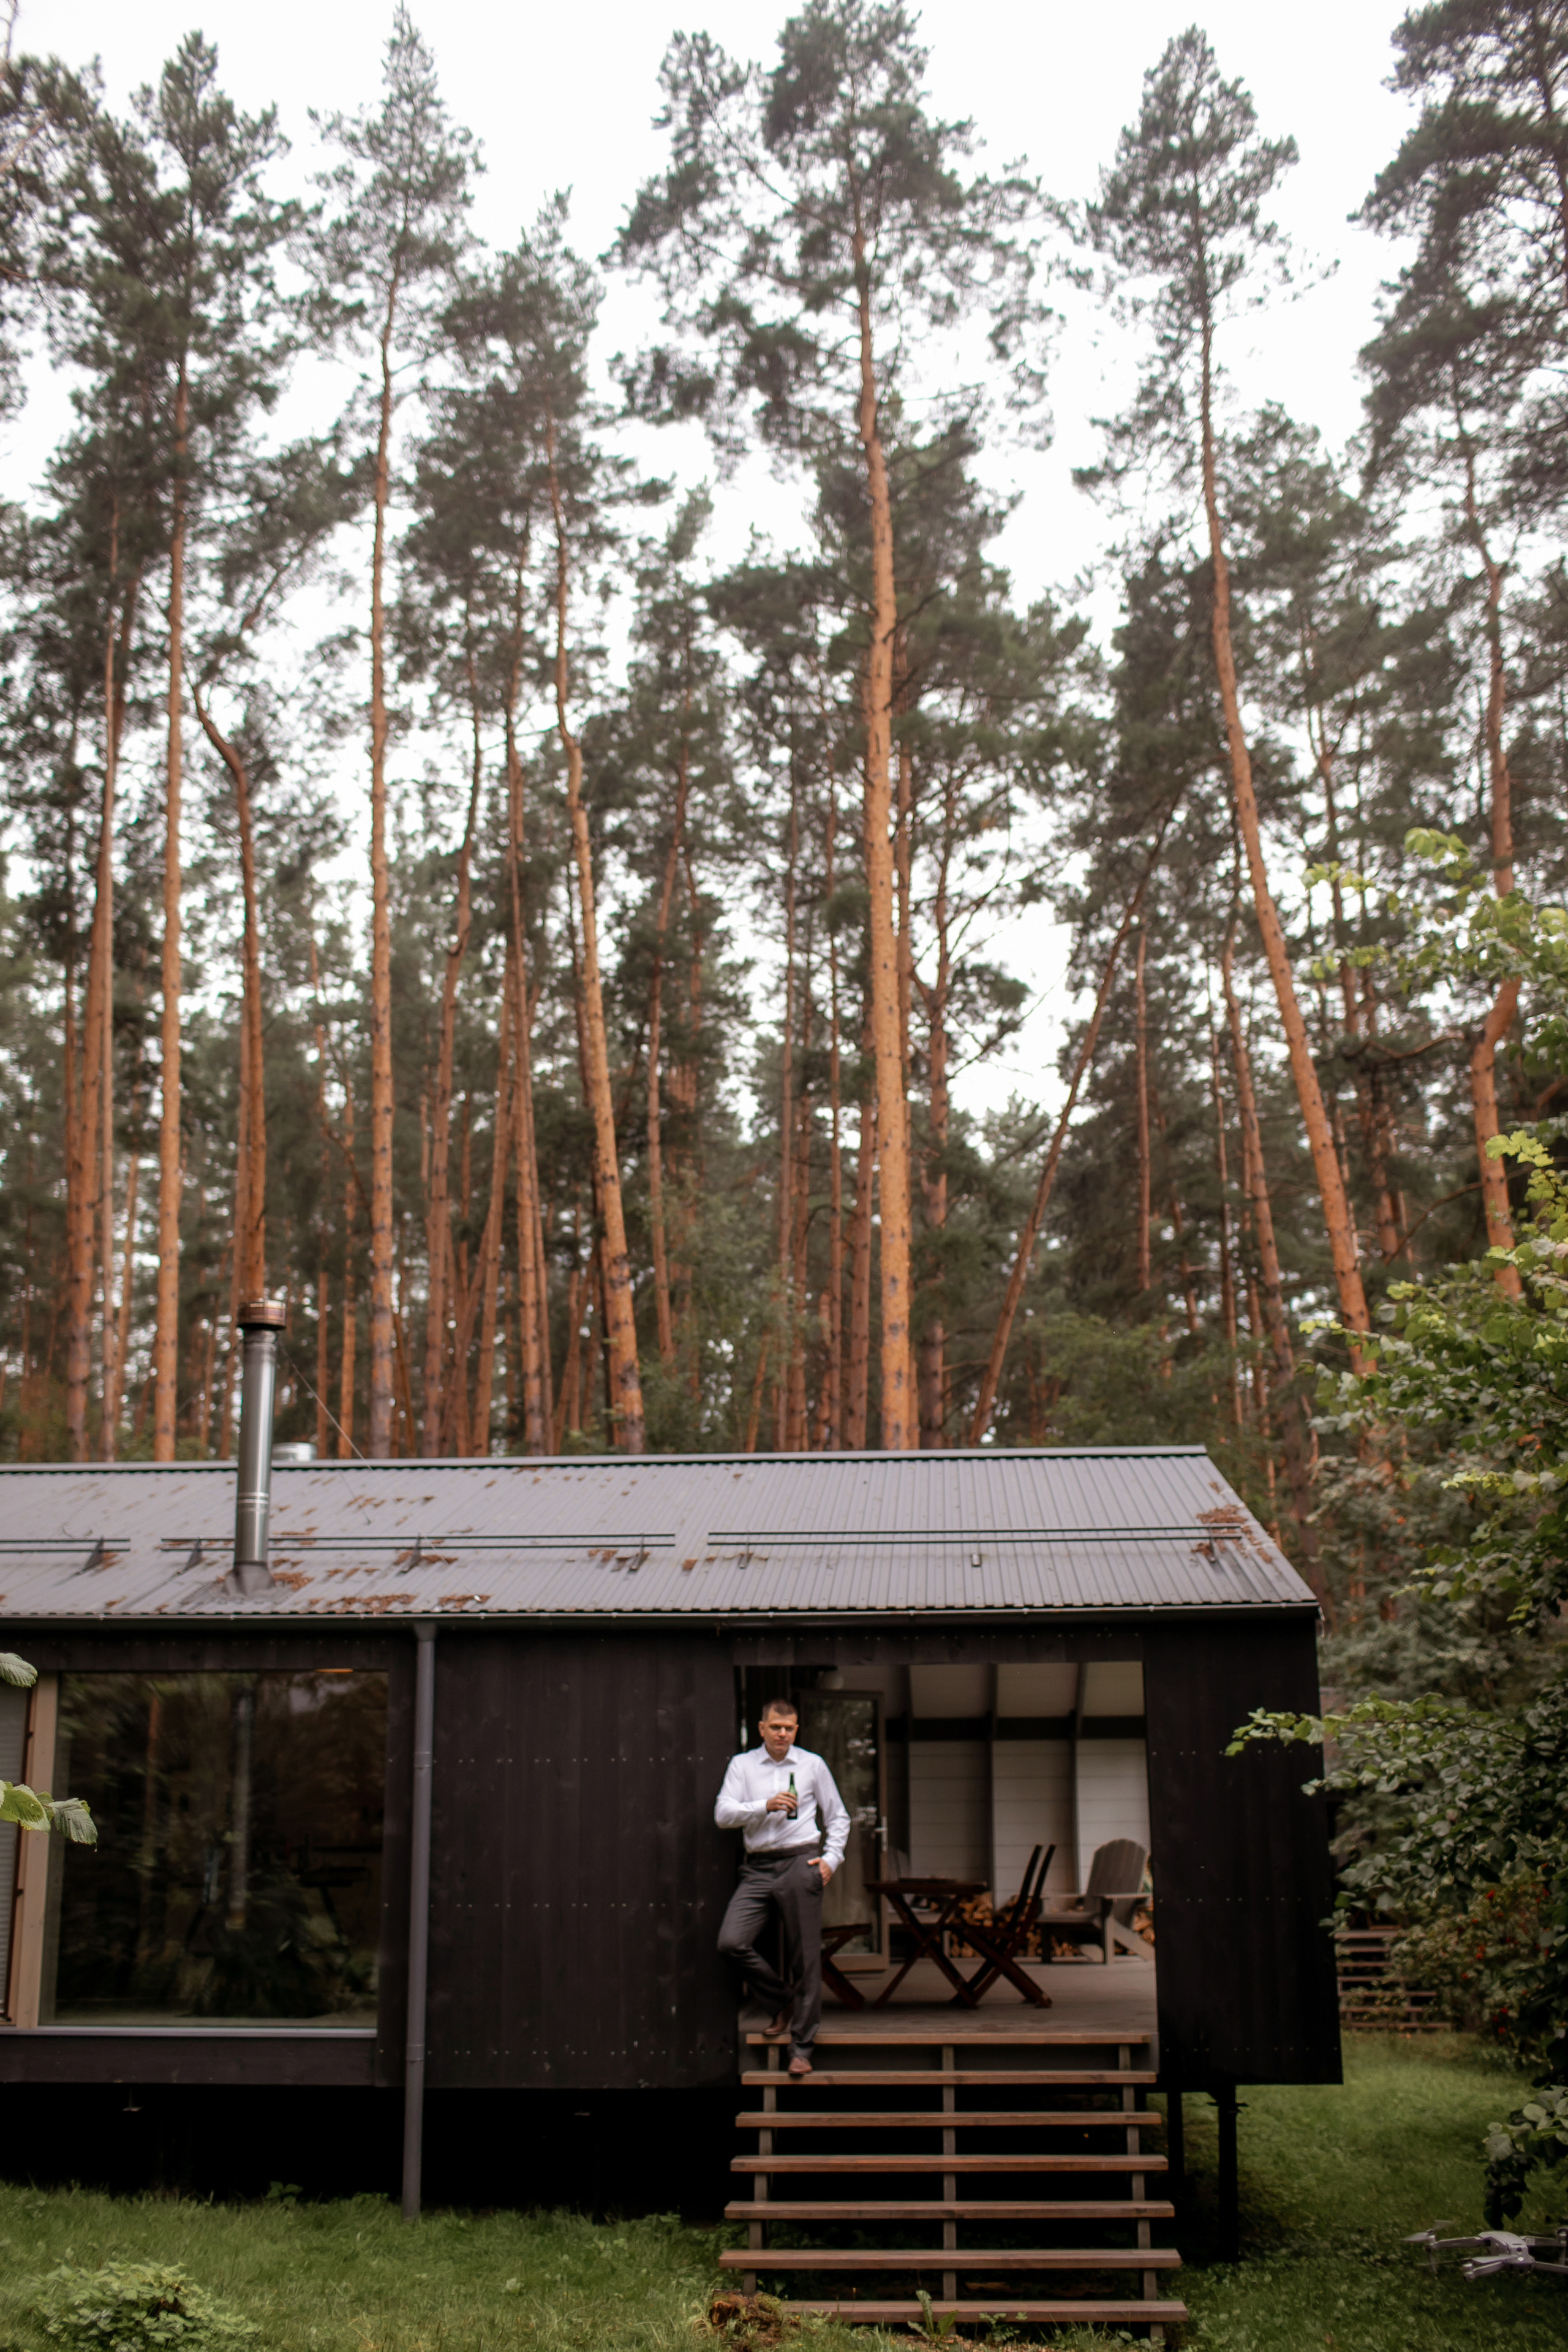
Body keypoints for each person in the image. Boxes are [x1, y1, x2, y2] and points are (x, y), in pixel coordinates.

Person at [714, 1696, 850, 2077]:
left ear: (796, 1730)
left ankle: (802, 2048)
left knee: (805, 1957)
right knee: (731, 1942)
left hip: (800, 1862)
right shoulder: (743, 1765)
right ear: (762, 1729)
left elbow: (839, 1817)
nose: (782, 1734)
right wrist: (764, 1805)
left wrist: (831, 1860)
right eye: (775, 1727)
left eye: (789, 1728)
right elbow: (723, 1814)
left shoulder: (812, 1765)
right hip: (758, 1867)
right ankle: (782, 2001)